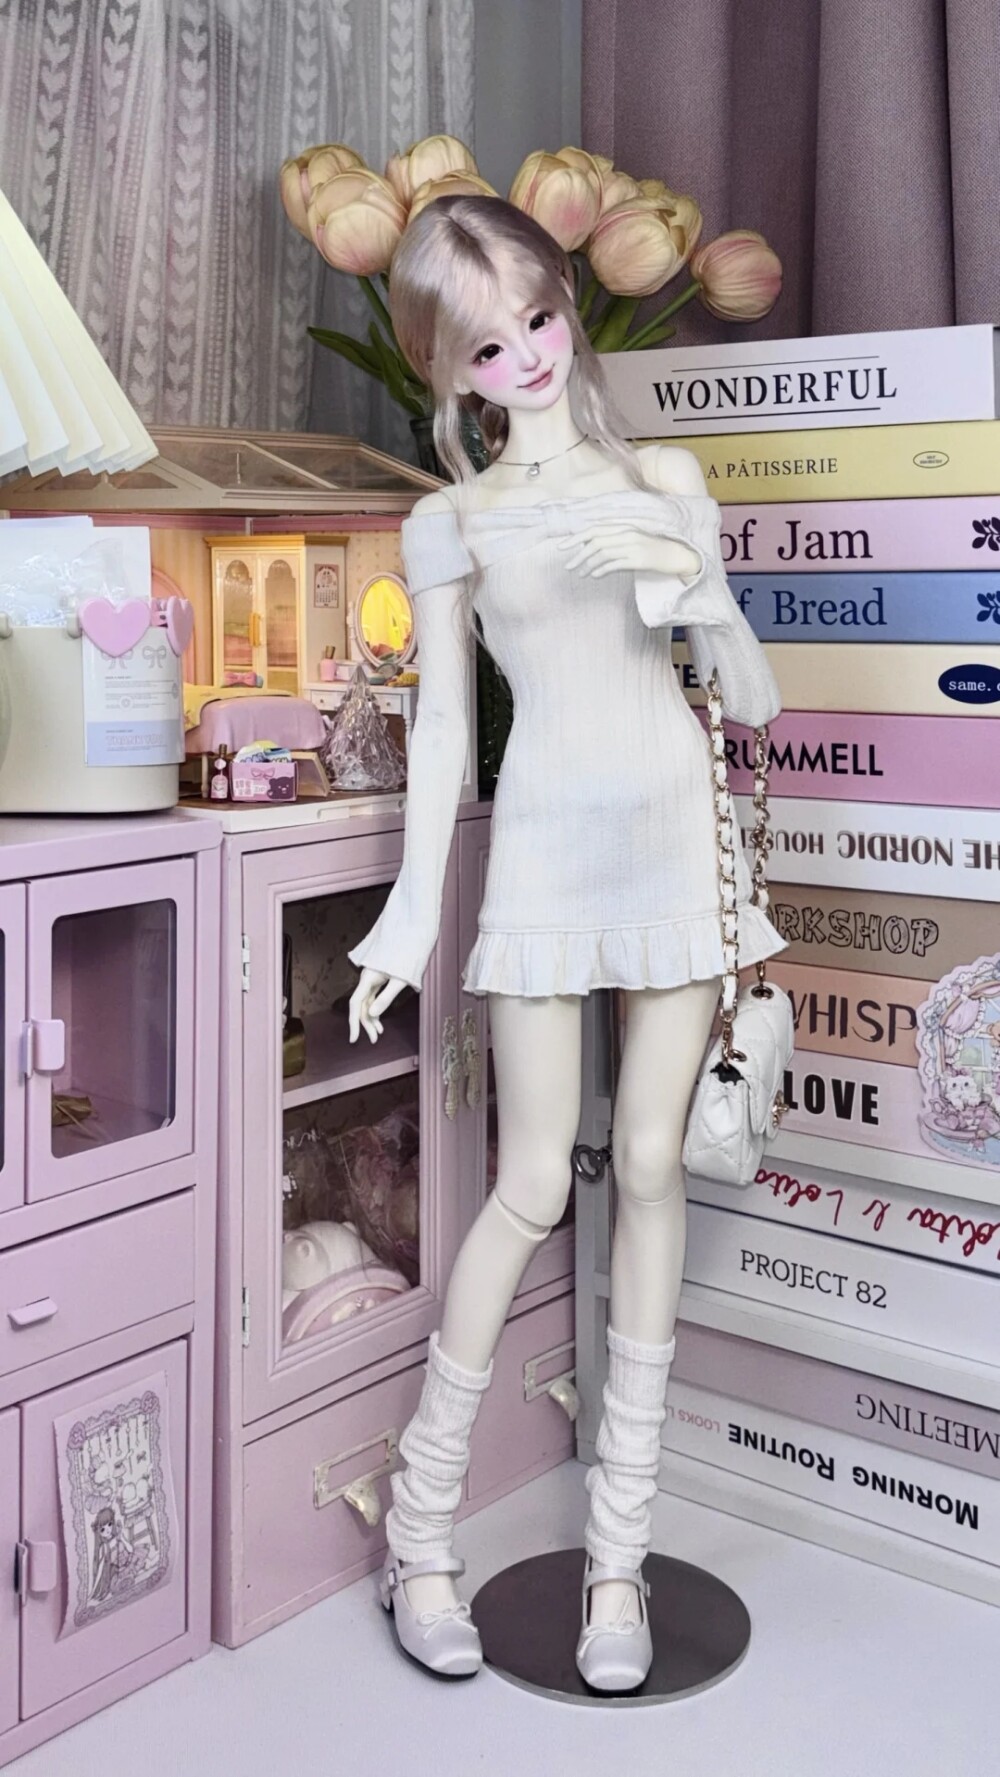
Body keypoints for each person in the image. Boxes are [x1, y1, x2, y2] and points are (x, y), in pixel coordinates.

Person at [347, 194, 784, 1692]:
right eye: (491, 343)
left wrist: (686, 574)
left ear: (564, 306)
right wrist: (414, 911)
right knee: (532, 1181)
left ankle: (617, 1564)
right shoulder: (452, 520)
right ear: (448, 366)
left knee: (651, 1165)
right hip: (541, 851)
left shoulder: (662, 474)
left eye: (540, 317)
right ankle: (418, 1535)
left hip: (672, 844)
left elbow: (752, 699)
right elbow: (444, 737)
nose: (530, 354)